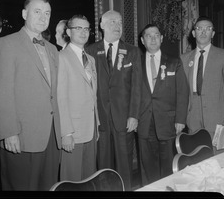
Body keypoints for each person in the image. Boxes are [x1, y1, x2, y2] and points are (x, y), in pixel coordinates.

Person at [0, 0, 62, 191]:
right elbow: (0, 92)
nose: (43, 17)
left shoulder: (53, 49)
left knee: (49, 187)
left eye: (47, 13)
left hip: (52, 138)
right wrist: (9, 131)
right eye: (37, 12)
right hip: (22, 137)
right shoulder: (5, 45)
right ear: (24, 14)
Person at [86, 10, 142, 191]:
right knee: (103, 164)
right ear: (101, 25)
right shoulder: (90, 51)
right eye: (112, 22)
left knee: (125, 164)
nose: (117, 26)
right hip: (100, 118)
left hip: (124, 118)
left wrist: (134, 115)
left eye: (119, 22)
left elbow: (137, 87)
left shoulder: (132, 51)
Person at [137, 24, 189, 185]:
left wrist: (180, 119)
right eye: (148, 35)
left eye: (156, 35)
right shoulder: (135, 63)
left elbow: (182, 92)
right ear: (142, 40)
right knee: (147, 166)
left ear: (161, 38)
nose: (152, 38)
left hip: (168, 122)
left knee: (168, 165)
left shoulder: (174, 62)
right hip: (143, 122)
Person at [180, 16, 224, 141]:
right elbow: (181, 91)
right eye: (199, 28)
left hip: (217, 116)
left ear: (213, 34)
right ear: (194, 33)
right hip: (193, 117)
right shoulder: (184, 59)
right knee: (196, 155)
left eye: (208, 29)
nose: (203, 32)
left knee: (218, 156)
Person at [57, 15, 100, 181]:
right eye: (78, 28)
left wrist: (96, 123)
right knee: (72, 179)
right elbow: (60, 97)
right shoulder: (61, 58)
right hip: (73, 131)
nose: (83, 32)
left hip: (91, 129)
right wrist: (66, 132)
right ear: (68, 32)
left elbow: (92, 96)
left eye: (86, 28)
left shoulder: (91, 60)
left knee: (89, 177)